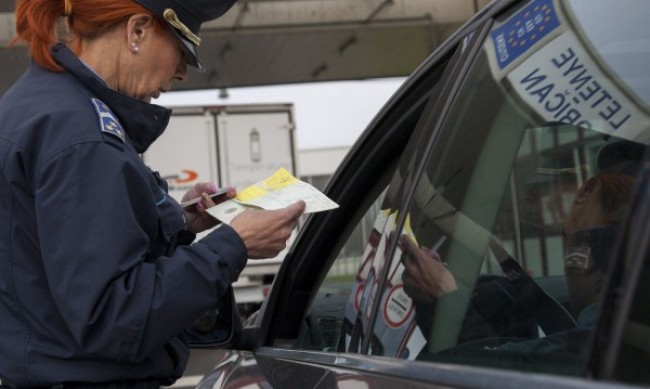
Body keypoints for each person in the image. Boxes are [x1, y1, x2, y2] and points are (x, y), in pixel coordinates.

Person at [0, 0, 305, 387]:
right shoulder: (84, 135)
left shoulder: (40, 105)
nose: (181, 73)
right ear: (137, 31)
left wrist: (180, 219)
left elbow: (61, 253)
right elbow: (115, 318)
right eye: (180, 50)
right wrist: (234, 244)